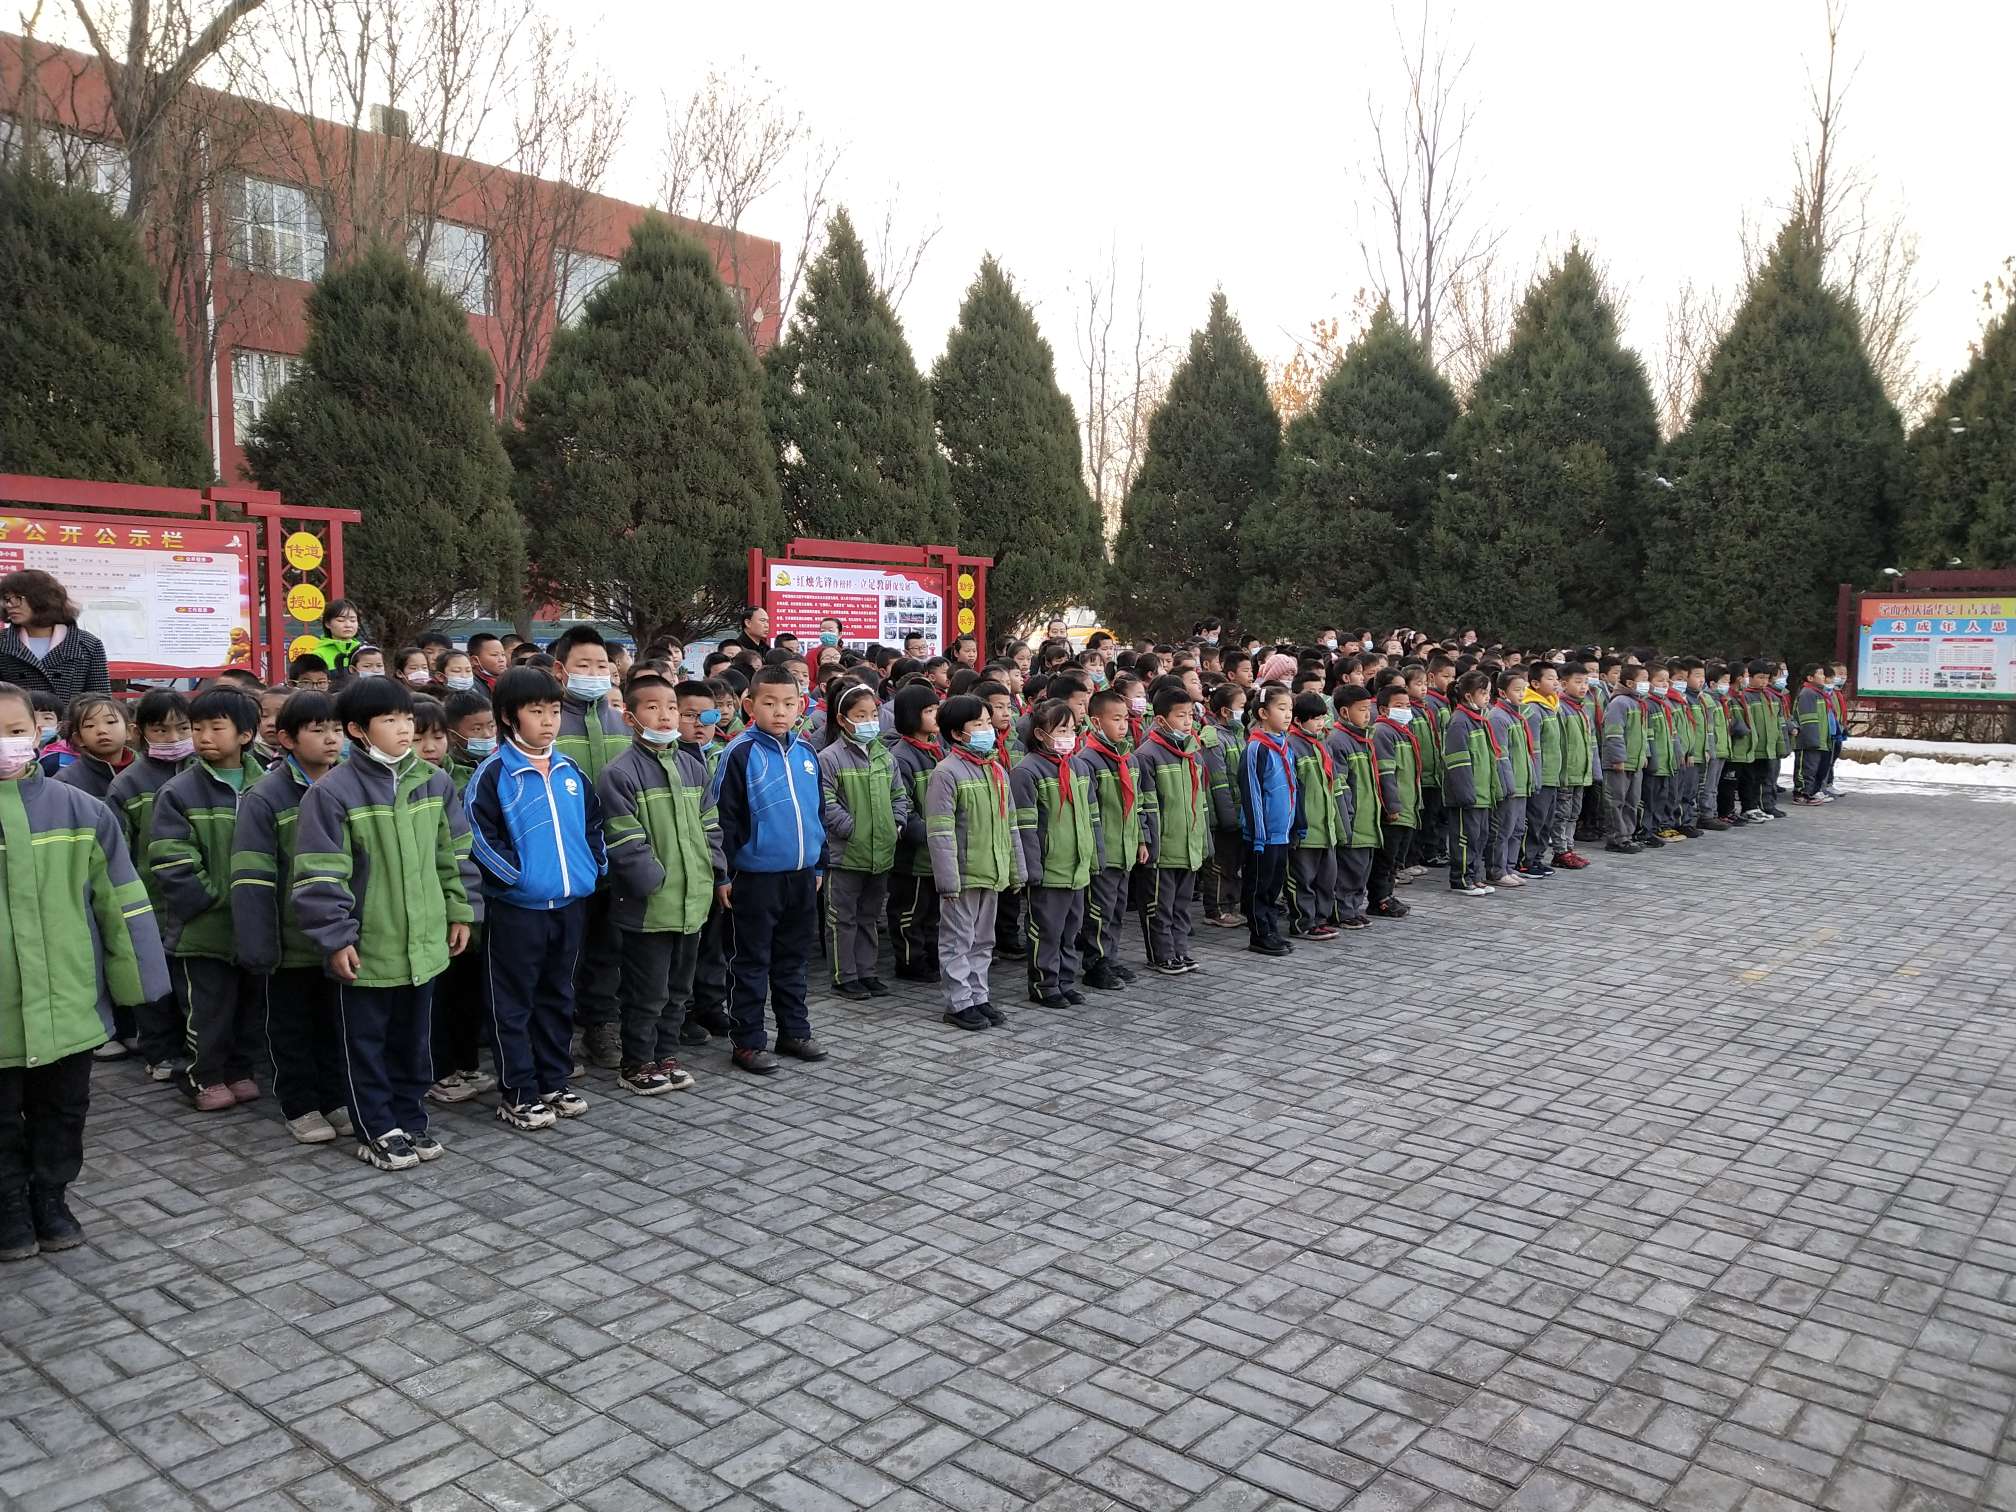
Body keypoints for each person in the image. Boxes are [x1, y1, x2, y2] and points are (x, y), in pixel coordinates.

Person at [0, 680, 169, 1262]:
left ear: (38, 732)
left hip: (68, 999)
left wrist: (139, 984)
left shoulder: (81, 810)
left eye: (15, 730)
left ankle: (51, 1198)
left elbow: (120, 902)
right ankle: (8, 1208)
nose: (6, 743)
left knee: (64, 1111)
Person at [294, 675, 480, 1170]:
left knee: (413, 1041)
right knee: (366, 1043)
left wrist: (460, 910)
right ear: (357, 730)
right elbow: (320, 874)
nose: (404, 729)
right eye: (389, 720)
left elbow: (454, 854)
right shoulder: (332, 793)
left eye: (407, 718)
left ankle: (410, 1117)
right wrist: (336, 937)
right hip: (368, 946)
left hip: (424, 943)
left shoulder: (434, 782)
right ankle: (376, 1128)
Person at [465, 666, 605, 1128]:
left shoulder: (570, 771)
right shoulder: (493, 775)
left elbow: (594, 825)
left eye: (554, 711)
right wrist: (516, 879)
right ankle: (518, 1091)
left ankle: (553, 1080)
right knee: (512, 1003)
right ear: (509, 717)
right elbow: (479, 837)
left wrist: (593, 868)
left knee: (558, 996)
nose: (548, 721)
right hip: (517, 910)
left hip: (569, 905)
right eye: (536, 711)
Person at [230, 690, 351, 1145]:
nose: (331, 739)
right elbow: (252, 877)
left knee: (335, 1023)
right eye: (318, 731)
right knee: (291, 1027)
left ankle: (336, 1098)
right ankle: (300, 1105)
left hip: (339, 937)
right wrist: (261, 945)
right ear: (286, 739)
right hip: (289, 941)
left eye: (337, 729)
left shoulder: (349, 785)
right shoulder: (266, 796)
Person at [597, 669, 722, 1096]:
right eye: (653, 707)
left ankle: (666, 1055)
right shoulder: (620, 772)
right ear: (630, 718)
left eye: (672, 707)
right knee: (646, 991)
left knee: (678, 990)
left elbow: (711, 825)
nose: (665, 716)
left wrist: (711, 870)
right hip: (650, 907)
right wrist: (654, 880)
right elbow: (623, 838)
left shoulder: (691, 766)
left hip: (693, 900)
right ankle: (637, 1062)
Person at [708, 664, 827, 1075]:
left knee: (793, 959)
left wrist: (819, 863)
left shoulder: (807, 753)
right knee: (750, 962)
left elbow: (817, 813)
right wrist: (723, 874)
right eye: (770, 703)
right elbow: (724, 819)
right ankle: (748, 1040)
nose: (780, 712)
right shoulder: (739, 753)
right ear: (750, 705)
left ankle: (794, 1031)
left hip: (801, 876)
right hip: (754, 878)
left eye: (789, 704)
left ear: (801, 705)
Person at [148, 684, 261, 1112]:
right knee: (207, 1008)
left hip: (254, 927)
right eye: (197, 728)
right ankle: (201, 1076)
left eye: (216, 727)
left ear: (245, 735)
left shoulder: (266, 784)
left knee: (249, 1006)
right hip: (203, 930)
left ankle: (239, 1070)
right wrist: (210, 900)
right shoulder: (179, 791)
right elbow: (170, 858)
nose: (203, 737)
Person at [548, 627, 628, 1070]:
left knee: (607, 948)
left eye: (602, 666)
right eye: (584, 665)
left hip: (615, 857)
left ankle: (601, 1026)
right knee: (564, 952)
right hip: (565, 859)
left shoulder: (621, 721)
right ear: (561, 670)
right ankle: (556, 1036)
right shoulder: (549, 722)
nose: (594, 674)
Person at [925, 694, 1024, 1029]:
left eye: (986, 722)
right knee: (958, 940)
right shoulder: (946, 773)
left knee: (983, 941)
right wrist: (948, 880)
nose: (986, 729)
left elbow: (1010, 824)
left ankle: (979, 996)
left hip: (991, 871)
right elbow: (941, 832)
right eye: (977, 724)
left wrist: (1015, 869)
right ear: (957, 733)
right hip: (963, 874)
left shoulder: (996, 770)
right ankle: (958, 1002)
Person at [817, 683, 904, 1003]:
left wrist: (896, 825)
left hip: (881, 853)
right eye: (860, 716)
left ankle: (867, 971)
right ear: (843, 720)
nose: (869, 721)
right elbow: (825, 802)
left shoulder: (885, 757)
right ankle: (845, 976)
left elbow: (899, 795)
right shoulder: (829, 758)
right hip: (845, 854)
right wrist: (851, 829)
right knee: (842, 918)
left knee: (869, 916)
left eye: (873, 715)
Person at [1011, 699, 1098, 1011]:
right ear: (1040, 734)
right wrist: (1032, 869)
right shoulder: (1026, 771)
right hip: (1049, 868)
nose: (1069, 736)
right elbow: (1026, 826)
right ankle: (1044, 984)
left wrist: (1094, 856)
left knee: (1071, 929)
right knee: (1046, 930)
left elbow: (1092, 816)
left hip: (1077, 866)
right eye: (1061, 730)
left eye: (1072, 730)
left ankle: (1065, 980)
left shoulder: (1078, 766)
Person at [1134, 684, 1209, 972]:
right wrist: (1146, 840)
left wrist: (1204, 840)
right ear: (1161, 720)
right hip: (1163, 847)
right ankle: (1161, 954)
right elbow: (1143, 804)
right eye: (1180, 716)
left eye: (1190, 715)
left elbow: (1200, 801)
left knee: (1181, 905)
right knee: (1160, 906)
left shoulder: (1193, 753)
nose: (1188, 722)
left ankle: (1180, 949)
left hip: (1188, 844)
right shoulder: (1147, 755)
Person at [1077, 689, 1144, 988]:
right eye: (1115, 719)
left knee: (1117, 909)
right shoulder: (1088, 760)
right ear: (1096, 721)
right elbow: (1088, 812)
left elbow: (1137, 804)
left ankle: (1111, 957)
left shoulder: (1128, 758)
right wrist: (1095, 849)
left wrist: (1141, 839)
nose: (1123, 725)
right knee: (1099, 910)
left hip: (1125, 848)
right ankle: (1095, 963)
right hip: (1103, 850)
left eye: (1125, 719)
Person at [886, 685, 944, 983]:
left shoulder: (938, 749)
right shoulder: (901, 757)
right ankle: (909, 961)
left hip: (937, 852)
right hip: (913, 854)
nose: (936, 716)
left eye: (937, 709)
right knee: (909, 911)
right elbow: (903, 807)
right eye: (929, 711)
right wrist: (931, 834)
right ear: (911, 715)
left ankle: (931, 957)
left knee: (933, 911)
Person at [1239, 685, 1298, 955]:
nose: (1287, 714)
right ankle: (1259, 934)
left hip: (1281, 831)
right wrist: (1259, 834)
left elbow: (1294, 787)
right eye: (1281, 708)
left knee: (1274, 884)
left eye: (1290, 709)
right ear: (1263, 713)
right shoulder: (1256, 749)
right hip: (1262, 835)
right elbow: (1252, 792)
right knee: (1259, 885)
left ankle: (1271, 928)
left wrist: (1297, 824)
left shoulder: (1285, 745)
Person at [0, 569, 111, 705]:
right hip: (16, 718)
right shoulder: (3, 643)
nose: (9, 605)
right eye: (6, 599)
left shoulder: (88, 645)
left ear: (41, 598)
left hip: (68, 718)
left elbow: (100, 703)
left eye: (18, 598)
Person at [1442, 670, 1505, 895]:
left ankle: (1475, 876)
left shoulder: (1479, 719)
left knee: (1479, 837)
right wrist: (1465, 794)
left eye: (1489, 693)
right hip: (1467, 796)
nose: (1488, 697)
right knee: (1464, 838)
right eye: (1483, 693)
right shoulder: (1459, 722)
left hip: (1482, 793)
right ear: (1469, 696)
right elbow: (1458, 762)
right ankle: (1461, 879)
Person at [1285, 693, 1341, 940]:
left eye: (1322, 718)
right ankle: (1303, 921)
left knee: (1326, 878)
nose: (1320, 723)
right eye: (1315, 719)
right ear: (1298, 720)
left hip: (1325, 825)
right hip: (1305, 827)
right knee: (1303, 879)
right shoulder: (1292, 746)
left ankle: (1321, 918)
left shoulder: (1322, 744)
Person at [1329, 685, 1383, 927]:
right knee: (1349, 870)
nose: (1367, 714)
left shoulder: (1363, 737)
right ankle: (1342, 911)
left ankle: (1353, 907)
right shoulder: (1339, 740)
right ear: (1344, 712)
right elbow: (1341, 786)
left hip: (1367, 818)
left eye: (1368, 709)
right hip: (1353, 819)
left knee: (1362, 869)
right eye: (1361, 709)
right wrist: (1347, 816)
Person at [1198, 682, 1247, 929]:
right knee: (1219, 865)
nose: (1244, 711)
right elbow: (1218, 783)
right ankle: (1216, 908)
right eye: (1241, 706)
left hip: (1238, 812)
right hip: (1222, 816)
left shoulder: (1237, 734)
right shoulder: (1214, 739)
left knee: (1232, 863)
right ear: (1226, 711)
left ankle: (1229, 904)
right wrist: (1228, 817)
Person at [1370, 682, 1422, 916]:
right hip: (1395, 809)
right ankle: (1379, 898)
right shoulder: (1383, 731)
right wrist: (1391, 806)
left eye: (1407, 706)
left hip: (1408, 806)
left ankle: (1388, 894)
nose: (1405, 710)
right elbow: (1386, 773)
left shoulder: (1403, 732)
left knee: (1395, 860)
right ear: (1383, 709)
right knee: (1385, 858)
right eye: (1399, 706)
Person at [1485, 667, 1536, 887]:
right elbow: (1501, 755)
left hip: (1521, 783)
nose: (1522, 694)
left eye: (1524, 689)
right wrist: (1507, 784)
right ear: (1503, 692)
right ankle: (1496, 869)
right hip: (1509, 785)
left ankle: (1509, 866)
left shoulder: (1517, 715)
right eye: (1517, 690)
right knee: (1502, 829)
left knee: (1517, 829)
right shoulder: (1498, 717)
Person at [1551, 664, 1600, 867]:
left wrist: (1593, 769)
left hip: (1580, 772)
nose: (1583, 687)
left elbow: (1591, 741)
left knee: (1574, 813)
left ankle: (1569, 848)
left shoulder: (1582, 708)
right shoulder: (1560, 708)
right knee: (1562, 813)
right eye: (1578, 682)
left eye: (1586, 682)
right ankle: (1560, 851)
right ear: (1563, 684)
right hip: (1566, 772)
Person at [1602, 664, 1649, 853]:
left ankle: (1627, 835)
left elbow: (1643, 733)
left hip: (1635, 762)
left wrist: (1644, 754)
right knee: (1616, 800)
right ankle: (1616, 838)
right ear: (1630, 683)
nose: (1646, 683)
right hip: (1619, 763)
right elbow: (1614, 733)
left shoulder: (1639, 702)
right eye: (1643, 680)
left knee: (1632, 801)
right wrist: (1618, 758)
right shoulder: (1620, 702)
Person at [48, 693, 129, 799]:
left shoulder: (143, 772)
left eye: (110, 722)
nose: (102, 730)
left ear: (129, 731)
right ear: (79, 739)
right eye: (90, 725)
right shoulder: (65, 783)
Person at [1792, 663, 1832, 804]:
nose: (1823, 677)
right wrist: (1812, 740)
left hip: (1820, 739)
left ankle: (1812, 792)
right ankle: (1801, 793)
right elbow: (1807, 719)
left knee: (1816, 769)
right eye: (1820, 674)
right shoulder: (1807, 693)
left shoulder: (1820, 694)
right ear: (1810, 678)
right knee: (1806, 769)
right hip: (1809, 741)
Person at [309, 599, 364, 673]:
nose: (348, 625)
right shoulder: (318, 655)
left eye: (353, 620)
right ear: (327, 623)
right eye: (341, 620)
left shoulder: (364, 652)